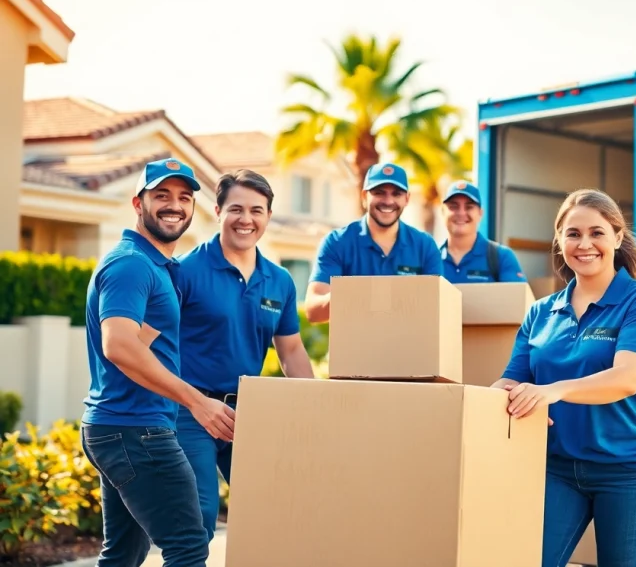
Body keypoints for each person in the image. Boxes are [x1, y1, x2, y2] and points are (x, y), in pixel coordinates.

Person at [492, 188, 636, 567]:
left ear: (617, 238)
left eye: (596, 233)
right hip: (557, 468)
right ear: (560, 241)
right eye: (573, 234)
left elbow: (626, 378)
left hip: (628, 471)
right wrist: (490, 401)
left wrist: (552, 391)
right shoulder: (540, 312)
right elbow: (511, 381)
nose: (584, 244)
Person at [81, 157, 235, 567]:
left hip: (119, 427)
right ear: (138, 202)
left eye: (184, 198)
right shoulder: (131, 264)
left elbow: (140, 345)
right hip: (136, 430)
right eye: (161, 195)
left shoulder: (157, 267)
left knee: (123, 555)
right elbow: (118, 346)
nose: (175, 205)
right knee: (187, 545)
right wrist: (196, 401)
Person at [175, 169, 316, 541]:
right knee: (199, 513)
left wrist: (319, 405)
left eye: (257, 210)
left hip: (245, 413)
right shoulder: (186, 271)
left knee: (270, 504)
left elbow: (291, 350)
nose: (246, 219)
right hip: (192, 412)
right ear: (218, 211)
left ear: (268, 216)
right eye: (236, 208)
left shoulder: (280, 280)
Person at [304, 162, 443, 323]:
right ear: (364, 197)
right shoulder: (337, 242)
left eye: (396, 194)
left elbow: (438, 309)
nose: (388, 201)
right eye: (379, 192)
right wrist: (355, 293)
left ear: (407, 199)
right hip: (353, 345)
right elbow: (313, 311)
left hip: (407, 345)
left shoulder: (425, 246)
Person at [438, 180, 527, 283]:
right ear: (443, 212)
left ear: (480, 213)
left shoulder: (502, 257)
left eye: (469, 207)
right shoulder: (430, 258)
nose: (461, 213)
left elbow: (516, 297)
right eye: (454, 206)